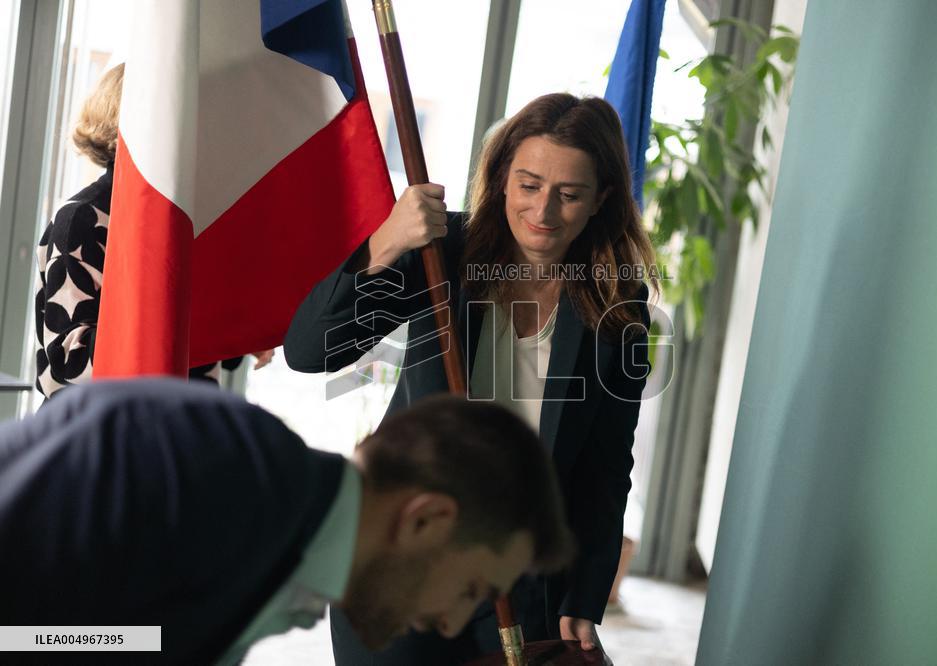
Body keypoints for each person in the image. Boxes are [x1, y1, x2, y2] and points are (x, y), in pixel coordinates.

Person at [285, 92, 655, 664]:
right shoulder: (443, 253)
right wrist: (388, 240)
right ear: (503, 177)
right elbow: (310, 350)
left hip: (518, 581)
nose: (544, 212)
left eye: (570, 194)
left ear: (601, 199)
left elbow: (607, 465)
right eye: (529, 185)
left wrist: (586, 594)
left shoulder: (616, 300)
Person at [0, 378, 573, 664]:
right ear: (425, 521)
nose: (451, 625)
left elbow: (101, 642)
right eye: (470, 590)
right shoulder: (204, 456)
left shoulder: (273, 531)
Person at [33, 63, 270, 400]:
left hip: (179, 429)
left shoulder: (187, 220)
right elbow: (71, 363)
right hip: (102, 434)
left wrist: (243, 332)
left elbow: (213, 350)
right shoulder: (83, 218)